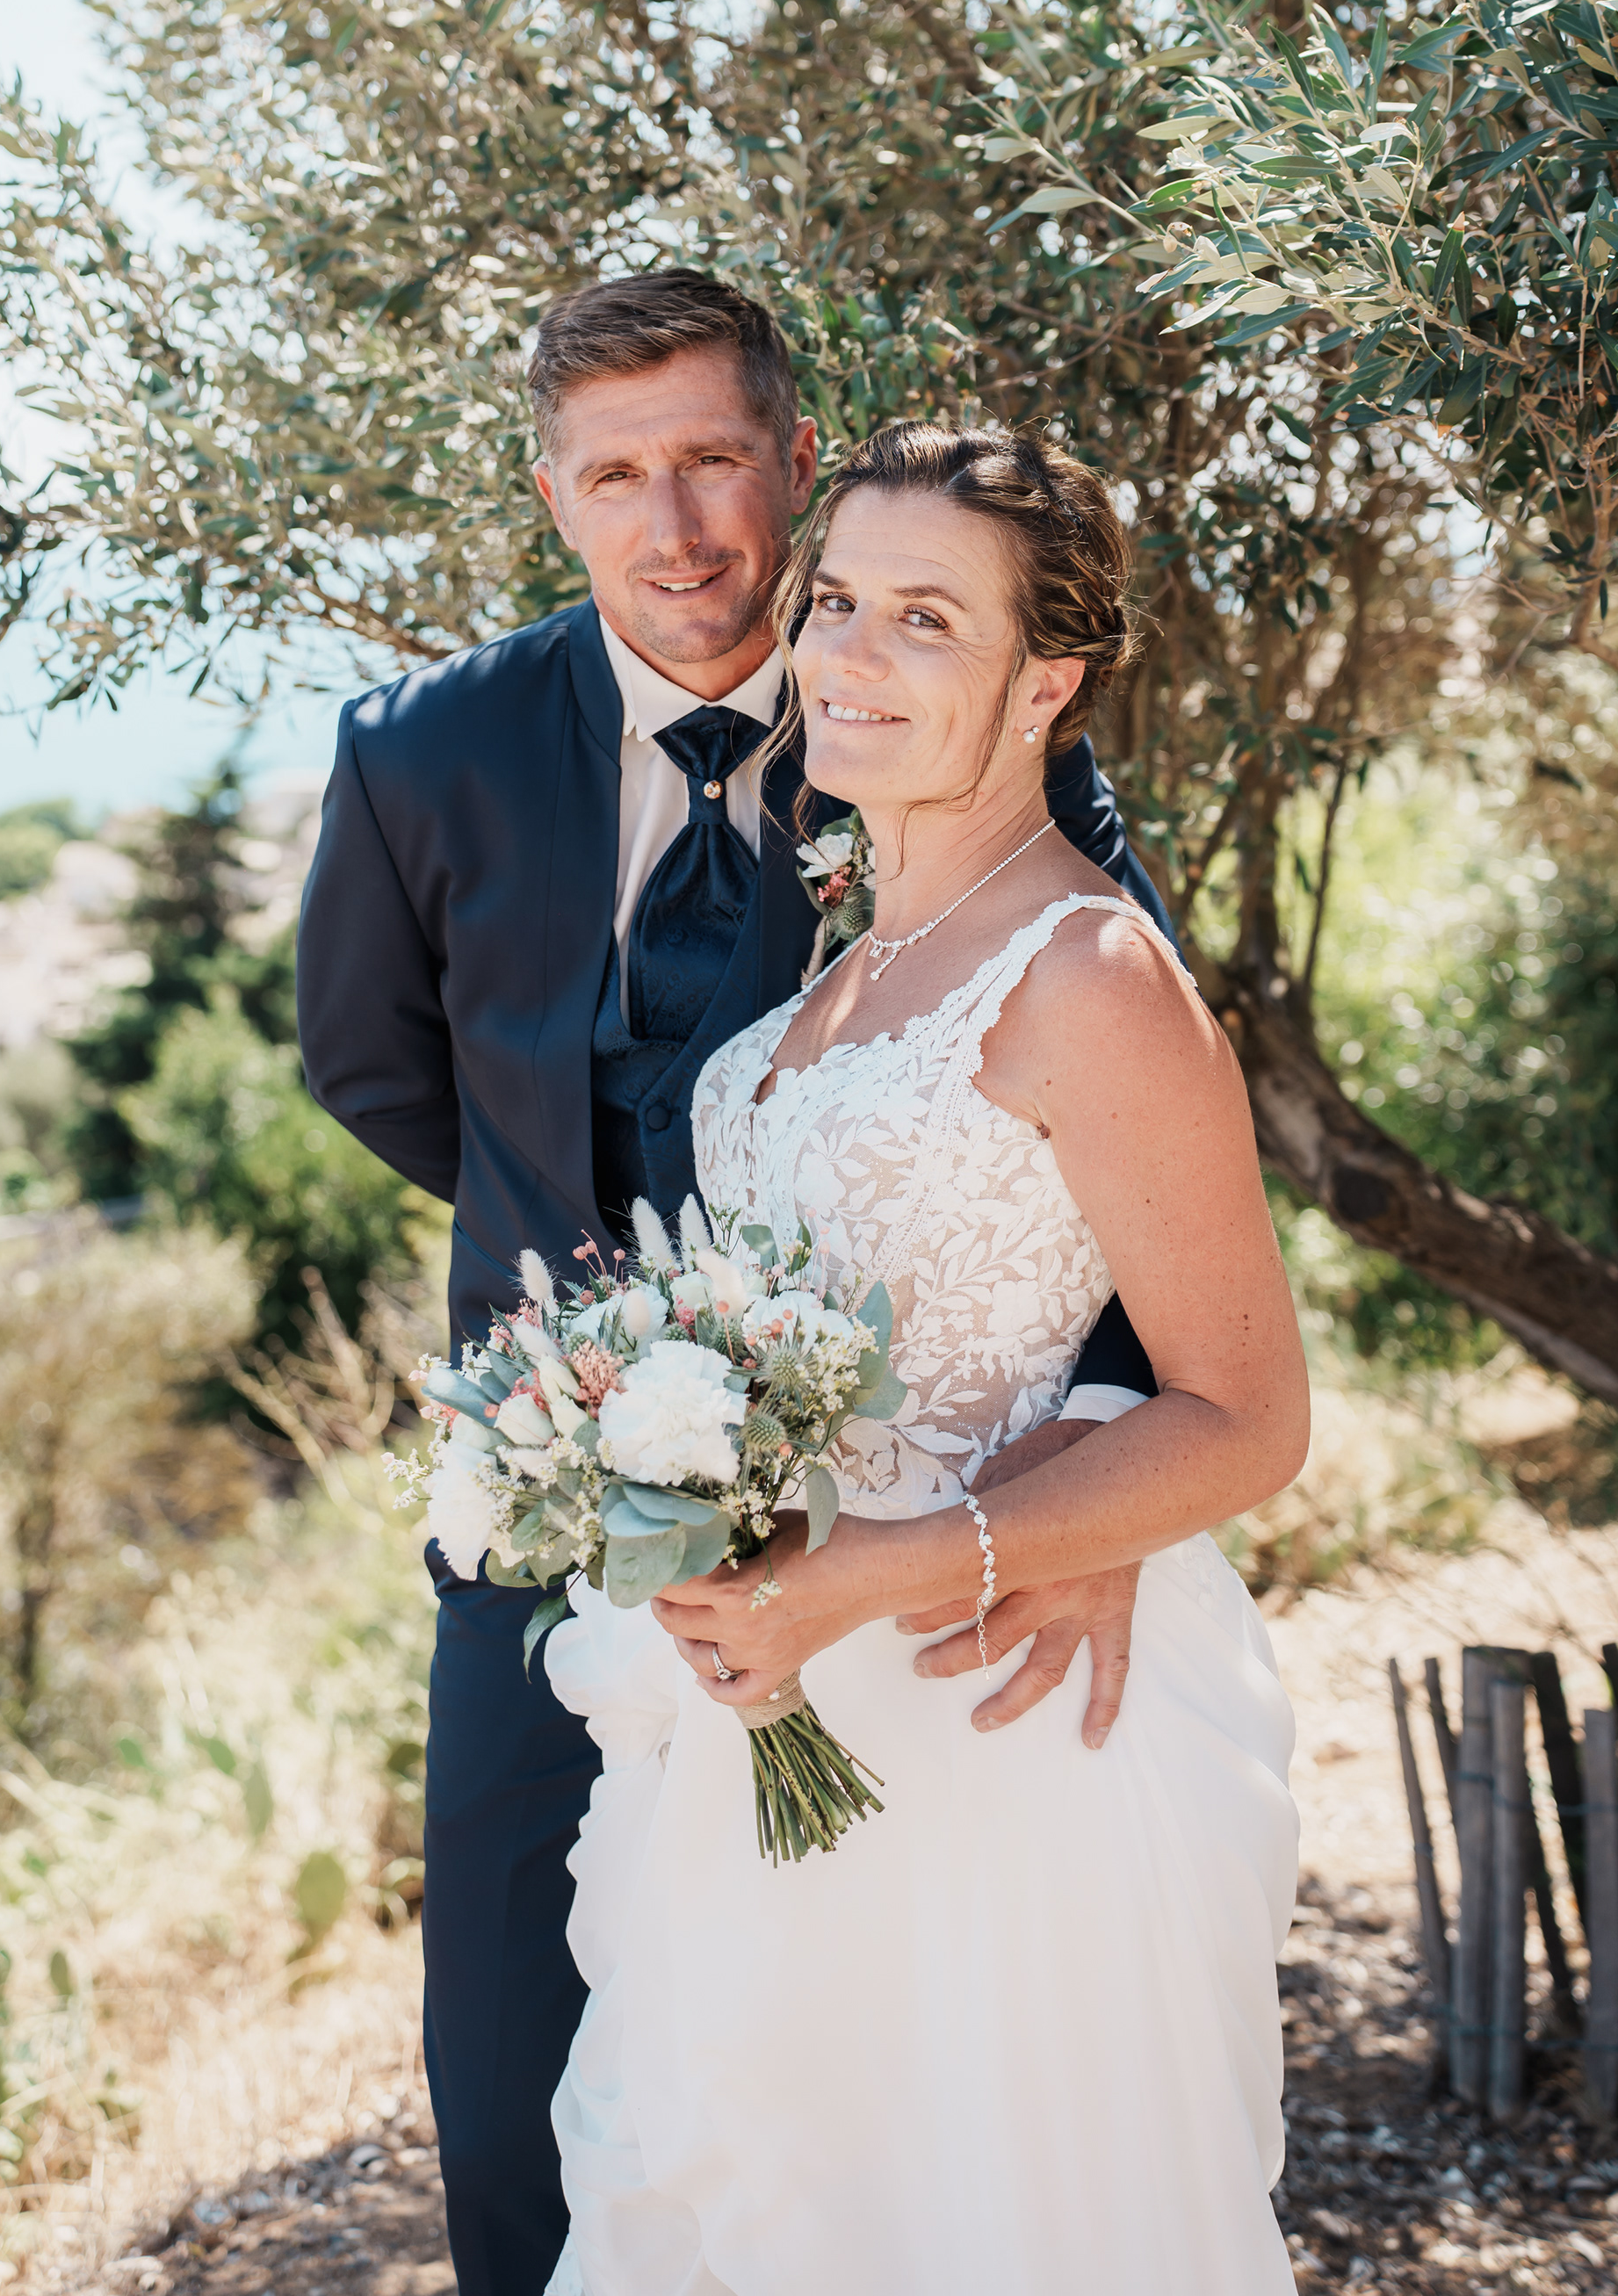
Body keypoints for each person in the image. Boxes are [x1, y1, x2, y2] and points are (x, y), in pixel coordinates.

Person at [295, 274, 1174, 2296]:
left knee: (855, 2083)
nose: (676, 527)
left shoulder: (939, 708)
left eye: (713, 459)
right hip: (545, 1521)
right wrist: (602, 1328)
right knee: (516, 2078)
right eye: (617, 477)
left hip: (894, 1527)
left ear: (796, 458)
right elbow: (371, 1064)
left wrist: (1103, 1455)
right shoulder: (421, 753)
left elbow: (1125, 1092)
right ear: (553, 497)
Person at [540, 421, 1308, 2296]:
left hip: (997, 1731)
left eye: (928, 620)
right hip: (777, 1728)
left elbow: (1249, 1414)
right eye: (836, 602)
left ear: (1046, 683)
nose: (850, 655)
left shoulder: (1089, 974)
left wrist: (881, 1572)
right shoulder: (835, 977)